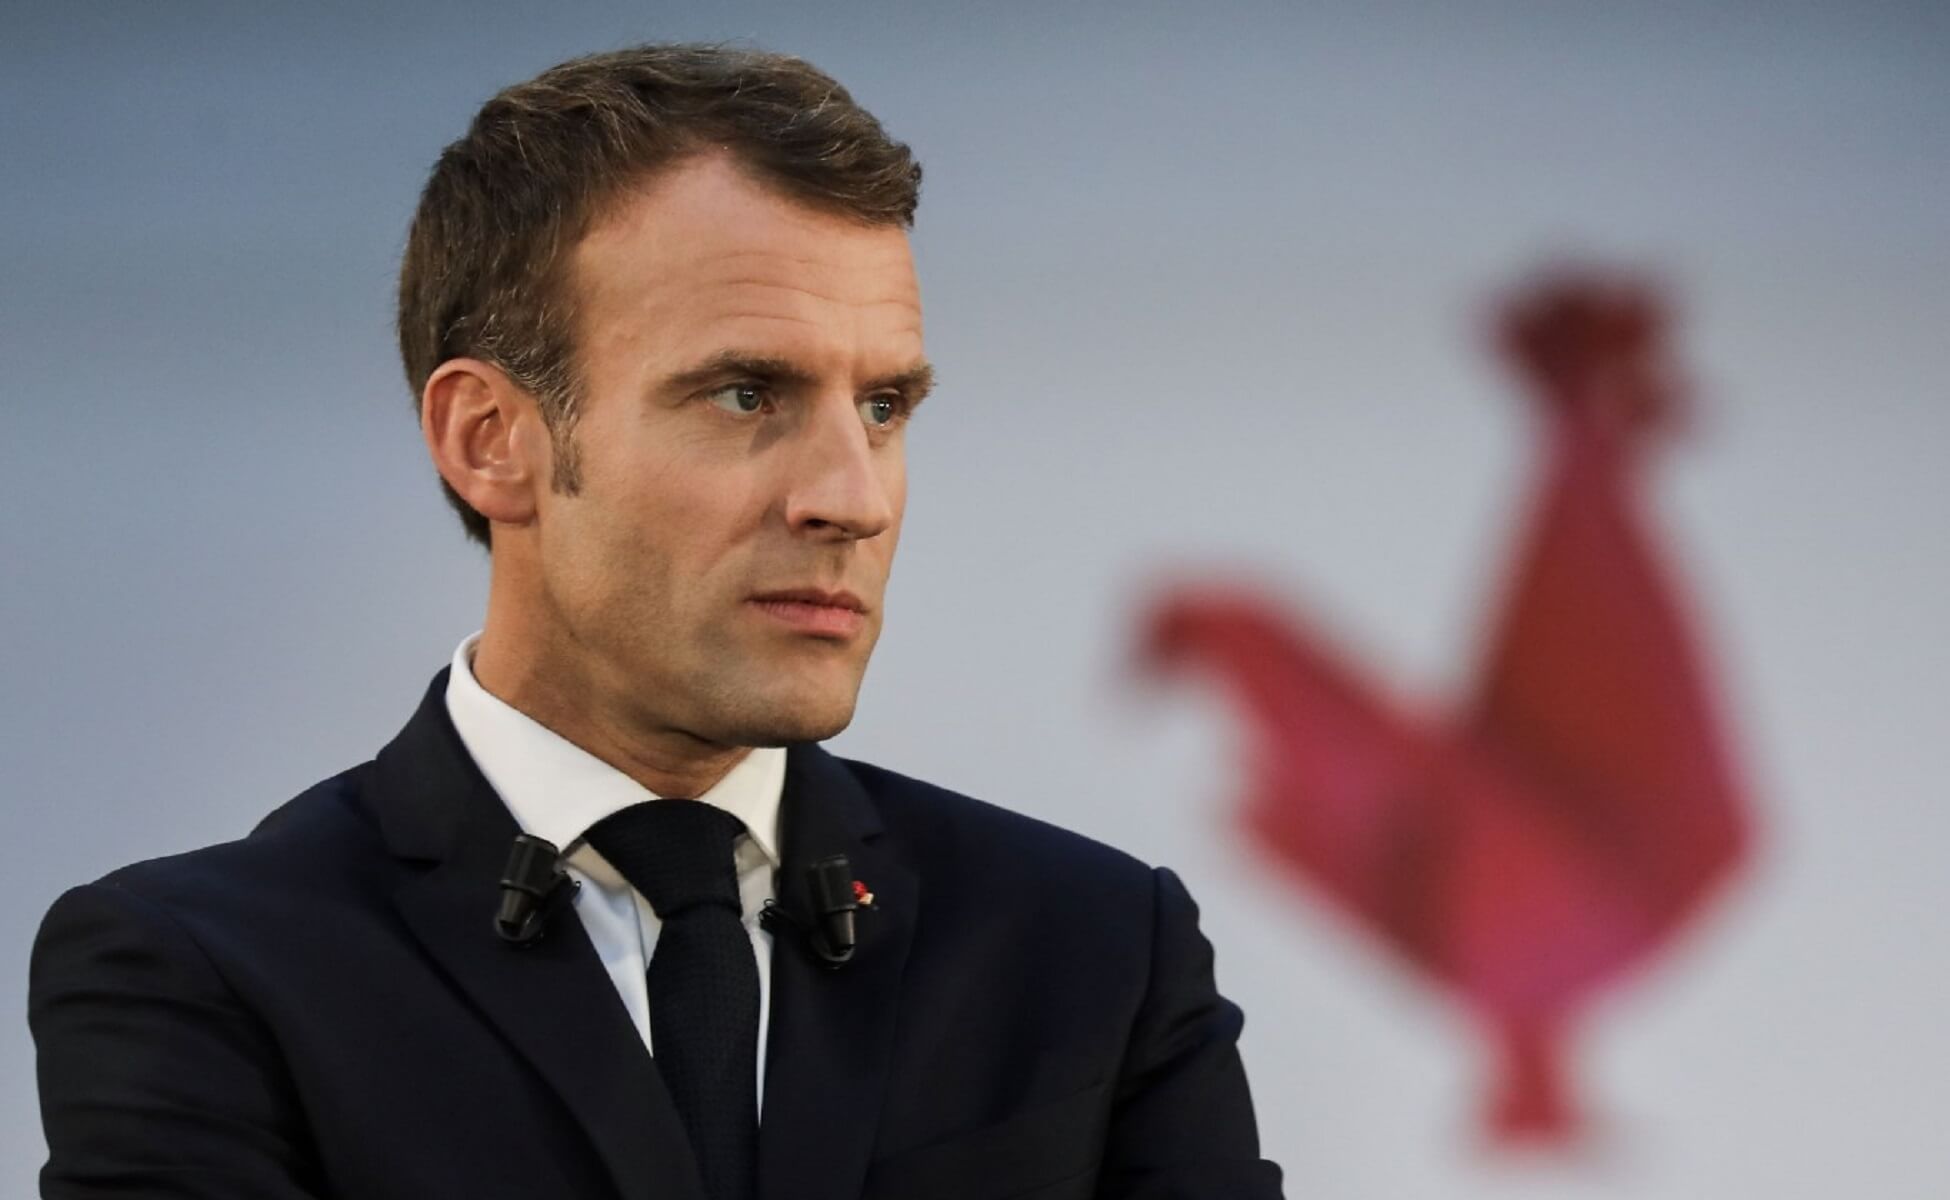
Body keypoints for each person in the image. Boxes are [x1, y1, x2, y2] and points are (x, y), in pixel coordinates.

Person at [28, 44, 1284, 1200]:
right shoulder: (200, 975)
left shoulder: (1095, 950)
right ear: (491, 440)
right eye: (745, 394)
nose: (852, 498)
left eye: (884, 407)